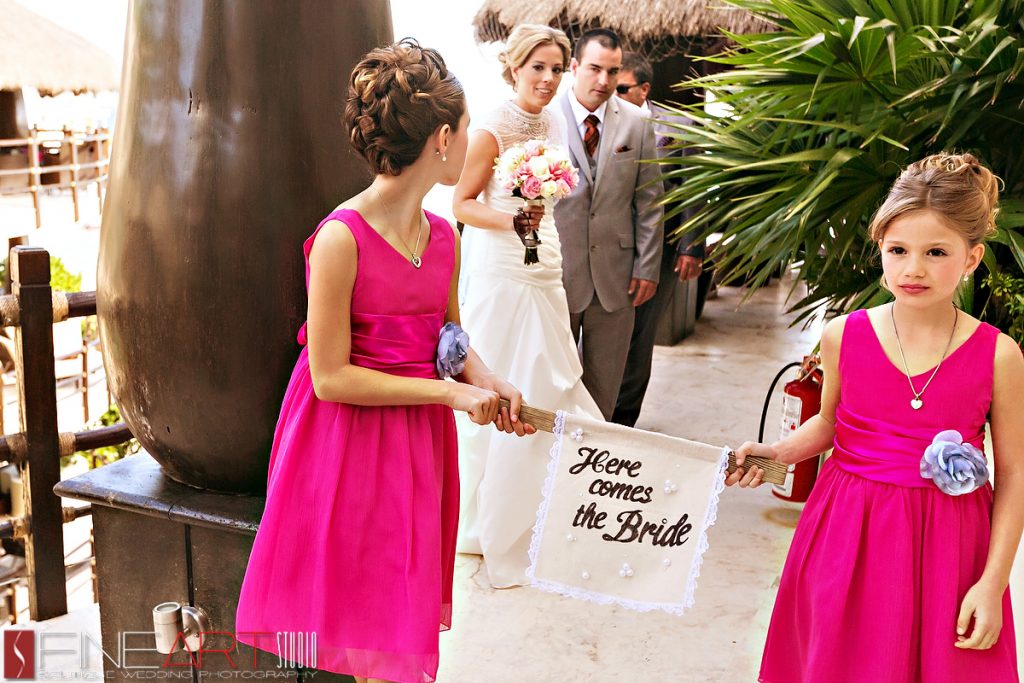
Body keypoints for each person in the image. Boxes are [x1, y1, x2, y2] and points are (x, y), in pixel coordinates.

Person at [235, 39, 535, 683]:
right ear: (444, 139)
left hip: (417, 441)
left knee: (403, 609)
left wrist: (486, 379)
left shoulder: (445, 235)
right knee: (364, 609)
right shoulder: (341, 237)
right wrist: (452, 396)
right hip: (345, 443)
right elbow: (330, 377)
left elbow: (448, 339)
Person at [729, 153, 1024, 682]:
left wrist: (993, 581)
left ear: (972, 258)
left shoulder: (999, 356)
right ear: (881, 250)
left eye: (937, 252)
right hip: (847, 535)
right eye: (898, 250)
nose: (914, 269)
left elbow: (1016, 476)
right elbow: (828, 424)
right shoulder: (843, 334)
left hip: (949, 549)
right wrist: (776, 453)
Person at [452, 23, 603, 588]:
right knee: (495, 388)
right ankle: (474, 525)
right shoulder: (490, 129)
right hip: (500, 266)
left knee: (546, 382)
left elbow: (547, 193)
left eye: (556, 68)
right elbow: (462, 204)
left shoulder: (553, 120)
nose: (547, 78)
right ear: (515, 68)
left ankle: (532, 516)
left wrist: (535, 217)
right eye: (537, 66)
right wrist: (512, 221)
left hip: (544, 259)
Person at [552, 29, 664, 420]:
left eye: (612, 71)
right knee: (552, 385)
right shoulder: (545, 117)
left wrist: (647, 267)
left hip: (616, 279)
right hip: (554, 273)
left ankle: (588, 468)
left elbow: (650, 202)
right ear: (574, 67)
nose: (603, 80)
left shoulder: (637, 122)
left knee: (604, 389)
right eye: (595, 69)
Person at [611, 51, 705, 427]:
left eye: (622, 87)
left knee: (641, 335)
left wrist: (691, 246)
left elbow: (695, 190)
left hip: (661, 250)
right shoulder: (602, 124)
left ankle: (625, 418)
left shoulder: (678, 126)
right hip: (607, 248)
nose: (611, 93)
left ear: (643, 89)